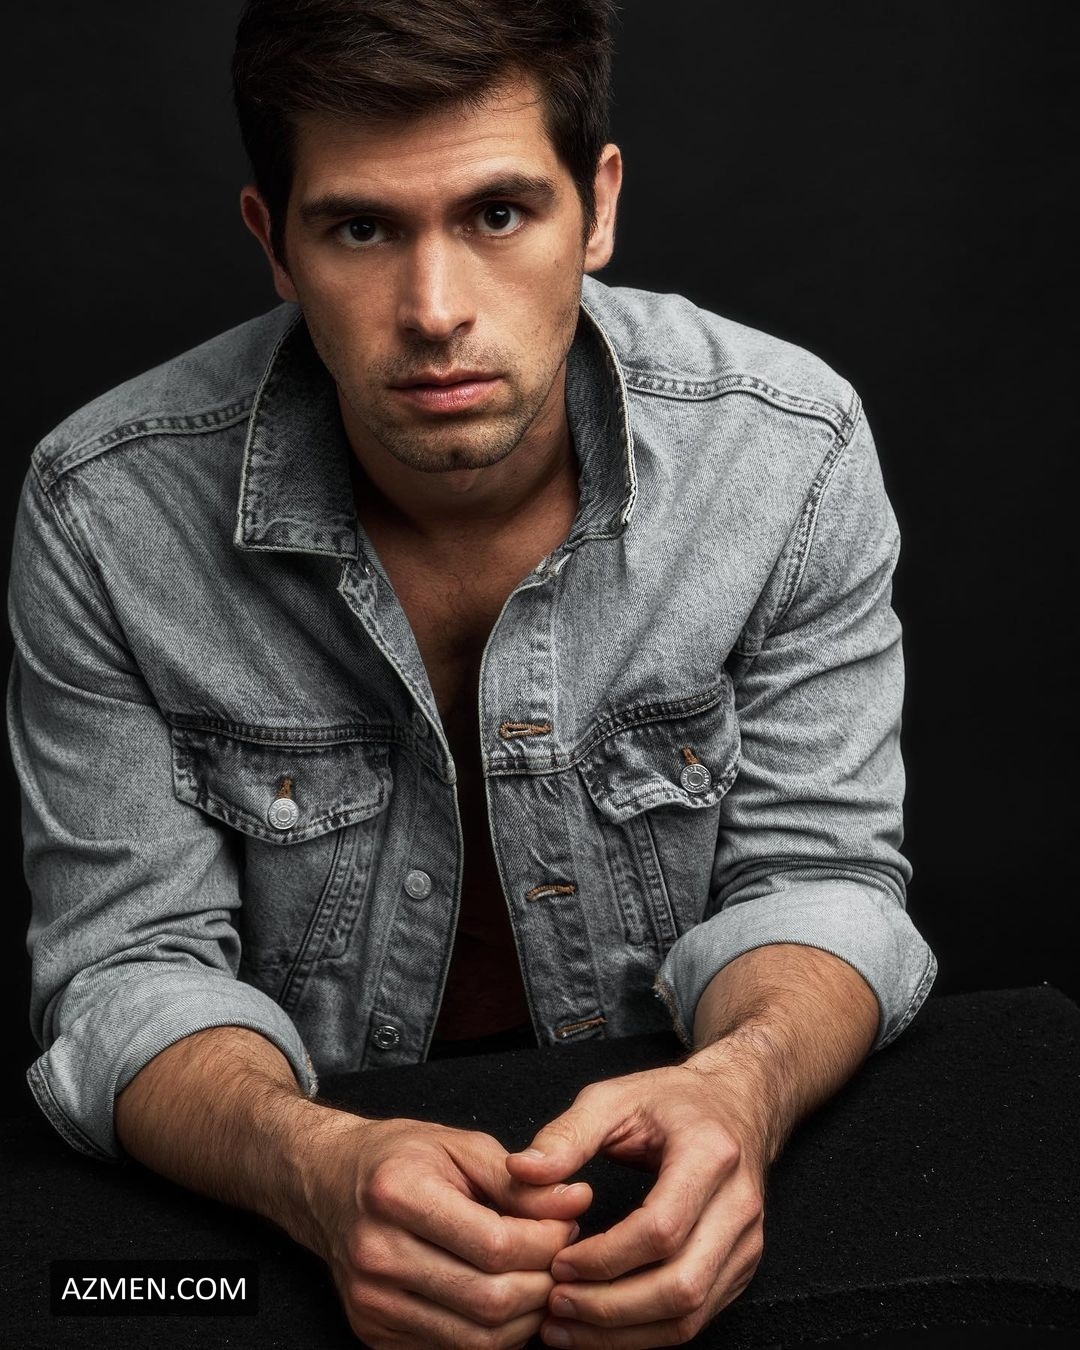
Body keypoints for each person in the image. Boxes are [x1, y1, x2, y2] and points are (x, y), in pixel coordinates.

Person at [6, 1, 938, 1346]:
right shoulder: (106, 510)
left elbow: (822, 878)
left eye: (499, 213)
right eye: (360, 229)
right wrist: (312, 1168)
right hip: (277, 1200)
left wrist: (740, 1091)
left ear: (596, 207)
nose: (435, 311)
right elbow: (123, 968)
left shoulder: (786, 452)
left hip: (671, 1162)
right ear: (274, 242)